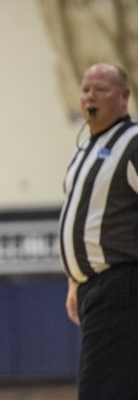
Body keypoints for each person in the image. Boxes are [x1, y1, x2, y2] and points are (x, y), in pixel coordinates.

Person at [59, 63, 138, 400]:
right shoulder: (86, 149)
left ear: (123, 97)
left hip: (121, 283)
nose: (90, 95)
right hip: (96, 286)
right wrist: (75, 279)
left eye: (101, 89)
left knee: (100, 389)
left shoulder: (133, 143)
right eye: (86, 89)